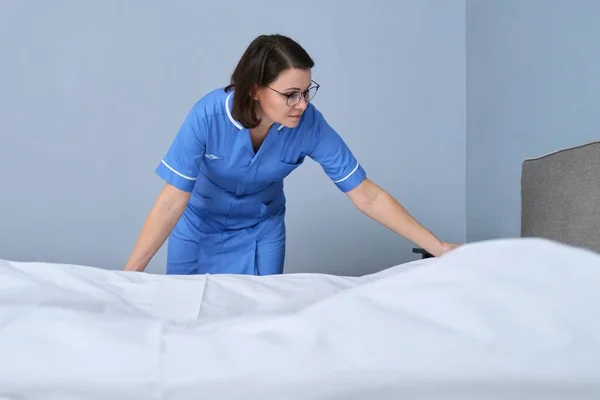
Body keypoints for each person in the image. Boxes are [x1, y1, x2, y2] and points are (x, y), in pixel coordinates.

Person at [124, 34, 459, 275]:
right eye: (291, 94)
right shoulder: (207, 116)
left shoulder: (309, 124)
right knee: (188, 324)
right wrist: (129, 276)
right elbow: (171, 200)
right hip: (198, 228)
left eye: (306, 92)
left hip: (261, 229)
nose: (302, 104)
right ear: (254, 89)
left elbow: (366, 195)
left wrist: (438, 247)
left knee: (259, 326)